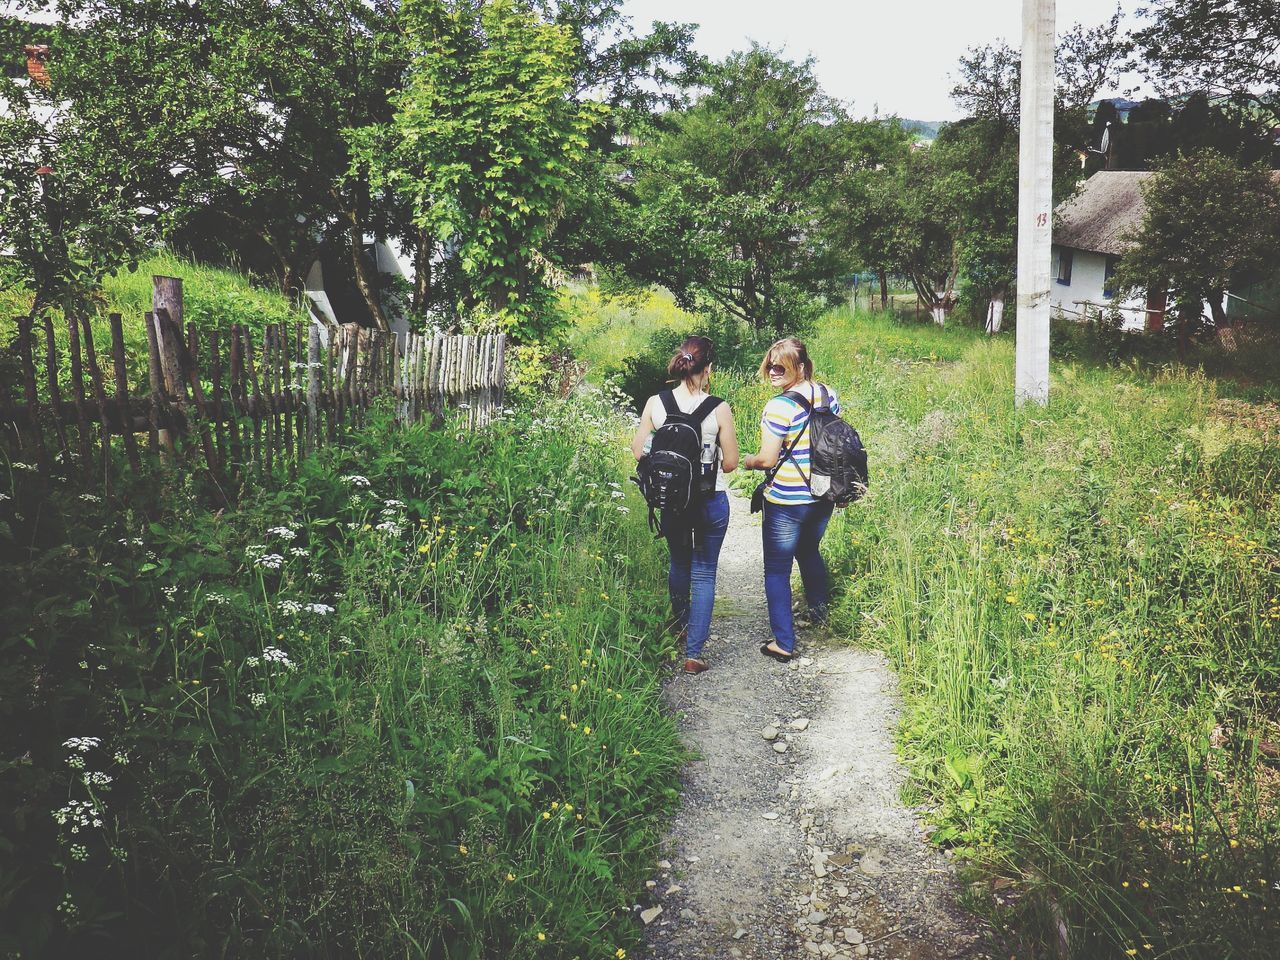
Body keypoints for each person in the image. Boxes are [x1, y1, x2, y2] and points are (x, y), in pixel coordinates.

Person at [631, 336, 739, 674]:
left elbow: (639, 452)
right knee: (705, 572)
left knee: (679, 565)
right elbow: (732, 463)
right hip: (710, 500)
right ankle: (694, 654)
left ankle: (679, 627)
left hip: (672, 501)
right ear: (708, 370)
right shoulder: (718, 408)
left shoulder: (656, 403)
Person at [741, 338, 839, 662]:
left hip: (787, 501)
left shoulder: (779, 406)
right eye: (770, 364)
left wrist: (748, 461)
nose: (773, 370)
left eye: (781, 365)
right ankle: (821, 615)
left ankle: (783, 642)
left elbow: (768, 459)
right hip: (822, 494)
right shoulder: (828, 395)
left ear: (800, 367)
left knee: (776, 571)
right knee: (809, 550)